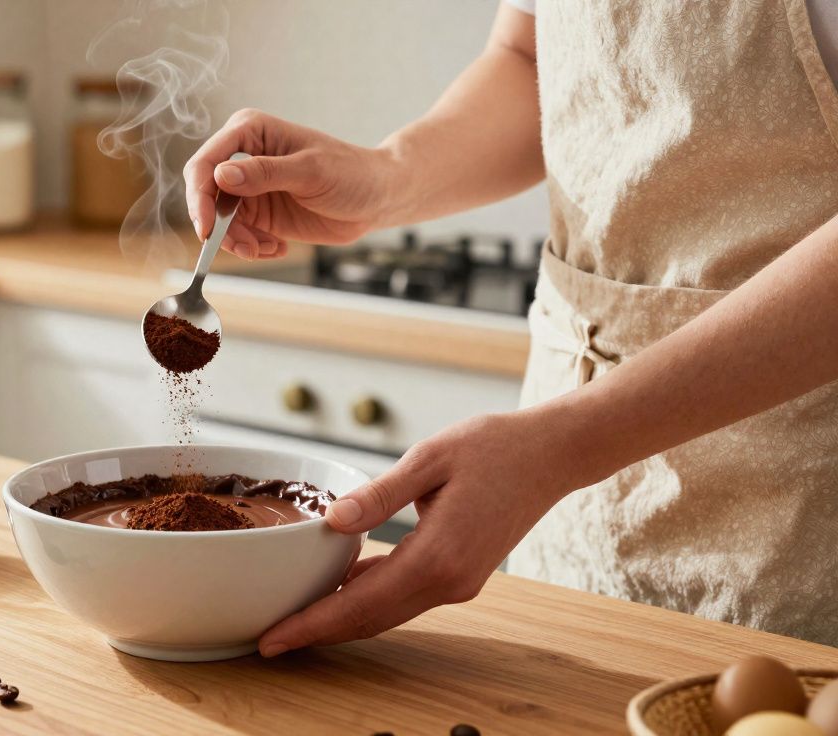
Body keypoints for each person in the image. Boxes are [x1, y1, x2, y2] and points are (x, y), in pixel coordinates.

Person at [183, 0, 838, 656]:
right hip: (565, 474)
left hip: (790, 499)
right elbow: (528, 58)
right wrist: (384, 177)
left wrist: (563, 447)